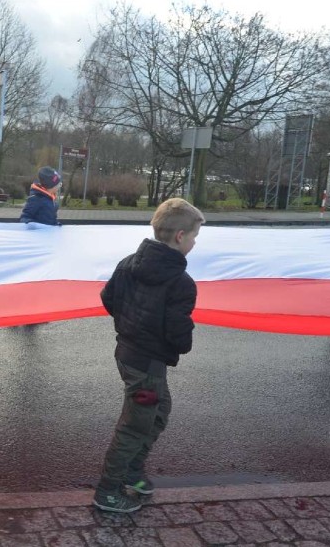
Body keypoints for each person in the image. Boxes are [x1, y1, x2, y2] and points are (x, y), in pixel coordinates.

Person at [93, 198, 205, 513]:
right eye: (195, 236)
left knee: (159, 411)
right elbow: (177, 332)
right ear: (181, 237)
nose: (195, 242)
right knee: (134, 426)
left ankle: (132, 468)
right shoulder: (181, 283)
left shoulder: (129, 262)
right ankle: (108, 491)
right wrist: (183, 340)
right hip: (147, 365)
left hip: (128, 354)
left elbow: (108, 297)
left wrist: (130, 326)